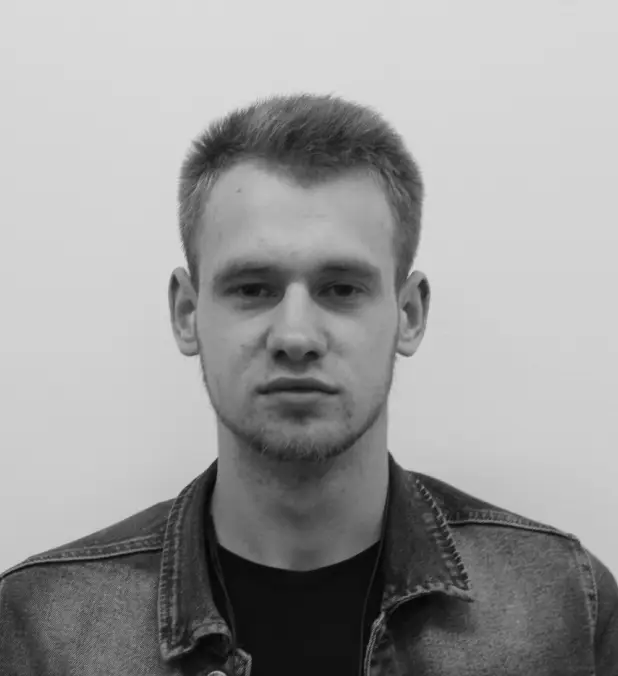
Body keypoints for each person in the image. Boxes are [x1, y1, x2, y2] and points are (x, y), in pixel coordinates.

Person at [1, 93, 616, 676]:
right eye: (253, 288)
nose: (295, 335)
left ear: (408, 314)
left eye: (341, 288)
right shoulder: (44, 627)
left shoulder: (562, 604)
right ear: (187, 313)